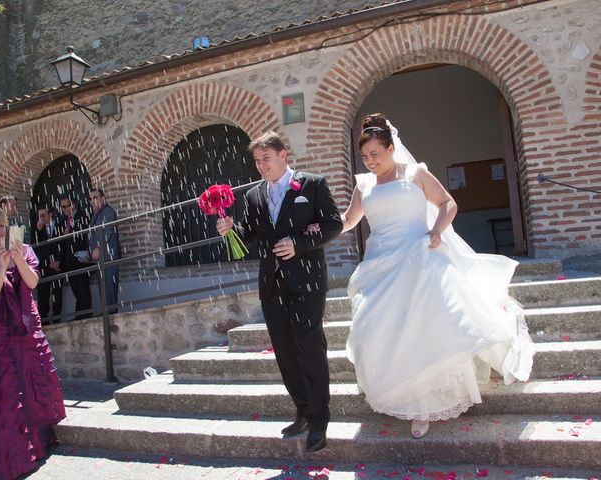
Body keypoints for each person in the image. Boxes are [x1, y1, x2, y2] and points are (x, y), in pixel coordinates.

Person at [340, 113, 534, 438]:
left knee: (422, 329)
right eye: (365, 156)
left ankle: (424, 406)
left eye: (375, 153)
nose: (370, 161)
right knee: (376, 329)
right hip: (380, 264)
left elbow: (448, 203)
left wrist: (436, 231)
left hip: (418, 257)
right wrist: (316, 226)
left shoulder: (415, 173)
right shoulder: (364, 185)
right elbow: (347, 221)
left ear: (390, 148)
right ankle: (400, 393)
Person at [216, 131, 343, 452]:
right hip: (271, 284)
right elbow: (248, 239)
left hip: (308, 282)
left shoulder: (312, 184)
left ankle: (319, 421)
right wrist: (230, 231)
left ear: (283, 155)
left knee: (310, 347)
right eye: (257, 161)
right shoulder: (254, 196)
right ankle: (302, 409)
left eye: (266, 159)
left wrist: (299, 244)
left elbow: (334, 225)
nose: (261, 166)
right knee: (285, 352)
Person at [0, 207, 65, 479]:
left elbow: (31, 282)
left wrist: (18, 259)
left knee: (31, 383)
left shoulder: (24, 249)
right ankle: (13, 453)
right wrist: (0, 266)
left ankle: (38, 442)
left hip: (26, 327)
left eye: (1, 226)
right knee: (7, 390)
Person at [58, 195, 92, 319]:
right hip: (70, 259)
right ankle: (80, 313)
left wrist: (70, 232)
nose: (64, 209)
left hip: (80, 257)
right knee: (75, 288)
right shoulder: (64, 220)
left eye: (65, 206)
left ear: (73, 205)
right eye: (62, 207)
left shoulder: (82, 216)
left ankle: (85, 313)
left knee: (82, 286)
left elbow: (84, 233)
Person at [88, 188, 121, 314]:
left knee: (109, 286)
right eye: (90, 199)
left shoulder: (107, 211)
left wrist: (98, 249)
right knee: (104, 286)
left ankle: (110, 313)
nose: (92, 201)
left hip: (108, 255)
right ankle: (107, 312)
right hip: (102, 257)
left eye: (95, 197)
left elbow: (107, 230)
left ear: (103, 198)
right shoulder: (97, 213)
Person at [33, 206, 62, 322]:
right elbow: (36, 247)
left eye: (43, 216)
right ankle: (43, 320)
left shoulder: (59, 225)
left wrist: (58, 260)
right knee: (43, 294)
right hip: (43, 267)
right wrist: (38, 230)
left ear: (50, 215)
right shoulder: (38, 229)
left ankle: (56, 318)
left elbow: (62, 244)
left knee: (57, 294)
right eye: (39, 216)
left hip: (56, 265)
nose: (41, 219)